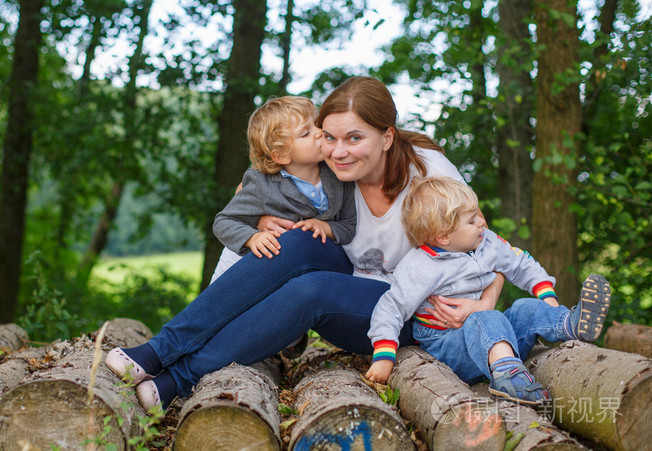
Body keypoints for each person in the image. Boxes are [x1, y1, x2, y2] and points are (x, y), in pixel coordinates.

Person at [104, 76, 504, 411]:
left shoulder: (428, 170)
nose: (338, 150)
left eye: (354, 138)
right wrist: (259, 218)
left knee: (311, 290)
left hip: (409, 311)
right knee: (296, 241)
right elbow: (270, 185)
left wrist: (483, 305)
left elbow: (491, 244)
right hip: (350, 283)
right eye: (328, 136)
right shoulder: (326, 167)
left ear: (387, 137)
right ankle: (159, 350)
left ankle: (178, 379)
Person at [365, 176, 611, 406]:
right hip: (450, 348)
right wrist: (384, 354)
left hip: (492, 335)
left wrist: (547, 296)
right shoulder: (421, 266)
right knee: (486, 318)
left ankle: (569, 323)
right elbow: (392, 306)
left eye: (478, 215)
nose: (482, 222)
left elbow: (520, 262)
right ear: (443, 236)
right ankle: (506, 377)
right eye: (471, 220)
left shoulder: (487, 242)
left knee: (525, 308)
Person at [209, 95, 355, 283]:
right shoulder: (263, 184)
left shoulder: (338, 174)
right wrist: (252, 238)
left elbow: (350, 225)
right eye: (306, 133)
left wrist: (326, 227)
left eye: (317, 125)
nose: (319, 132)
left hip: (297, 272)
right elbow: (223, 222)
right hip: (241, 265)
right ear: (281, 155)